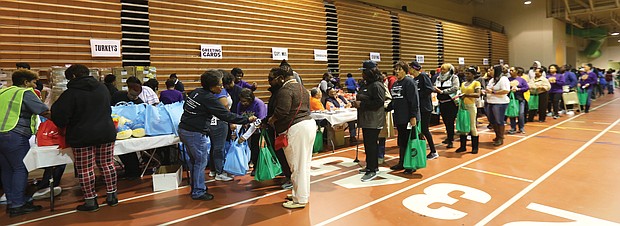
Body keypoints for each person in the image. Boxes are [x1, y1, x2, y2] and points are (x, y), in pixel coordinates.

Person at [178, 70, 255, 201]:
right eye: (219, 84)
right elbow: (225, 115)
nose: (222, 87)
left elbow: (186, 106)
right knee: (200, 162)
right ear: (211, 86)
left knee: (194, 161)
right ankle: (198, 191)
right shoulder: (209, 98)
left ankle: (196, 185)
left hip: (184, 129)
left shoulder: (196, 92)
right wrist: (247, 120)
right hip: (194, 133)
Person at [51, 64, 118, 212]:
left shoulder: (71, 93)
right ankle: (112, 196)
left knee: (86, 169)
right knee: (107, 164)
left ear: (73, 76)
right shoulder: (102, 88)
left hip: (82, 135)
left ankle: (90, 201)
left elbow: (60, 116)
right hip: (106, 131)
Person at [0, 69, 50, 217]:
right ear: (26, 82)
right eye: (34, 82)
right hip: (15, 135)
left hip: (2, 134)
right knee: (20, 169)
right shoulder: (25, 93)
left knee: (7, 169)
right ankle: (17, 205)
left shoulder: (3, 92)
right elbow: (43, 111)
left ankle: (12, 201)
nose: (35, 85)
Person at [267, 67, 316, 209]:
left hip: (296, 129)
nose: (270, 81)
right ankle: (301, 194)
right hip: (308, 125)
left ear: (281, 77)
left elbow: (282, 111)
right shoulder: (301, 87)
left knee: (296, 166)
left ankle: (299, 199)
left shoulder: (285, 90)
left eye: (272, 78)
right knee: (303, 164)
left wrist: (271, 119)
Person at [353, 60, 386, 182]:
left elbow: (379, 102)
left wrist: (362, 104)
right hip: (366, 119)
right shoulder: (366, 84)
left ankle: (372, 169)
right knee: (368, 144)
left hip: (374, 120)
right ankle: (370, 166)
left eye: (364, 72)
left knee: (371, 145)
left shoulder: (377, 85)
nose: (362, 74)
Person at [388, 61, 420, 174]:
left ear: (405, 71)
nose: (397, 72)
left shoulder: (409, 82)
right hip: (399, 118)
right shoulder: (396, 83)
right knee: (402, 142)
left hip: (408, 118)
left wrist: (413, 116)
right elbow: (395, 100)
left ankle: (411, 164)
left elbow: (414, 101)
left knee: (409, 142)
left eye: (400, 69)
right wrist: (386, 108)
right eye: (395, 69)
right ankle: (402, 162)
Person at [208, 70, 235, 181]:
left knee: (215, 147)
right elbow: (224, 105)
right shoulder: (221, 90)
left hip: (213, 121)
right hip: (219, 121)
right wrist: (231, 121)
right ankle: (219, 172)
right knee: (219, 147)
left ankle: (214, 170)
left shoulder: (214, 90)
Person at [410, 61, 438, 159]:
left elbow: (429, 89)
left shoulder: (423, 76)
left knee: (425, 129)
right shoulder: (414, 79)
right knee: (419, 130)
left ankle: (433, 151)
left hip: (425, 107)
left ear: (414, 68)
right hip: (418, 108)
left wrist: (418, 96)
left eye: (410, 68)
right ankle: (421, 148)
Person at [236, 88, 267, 176]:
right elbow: (239, 118)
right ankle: (251, 164)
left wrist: (245, 136)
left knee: (256, 147)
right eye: (241, 101)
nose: (243, 103)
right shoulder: (240, 104)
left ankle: (258, 167)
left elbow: (259, 121)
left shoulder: (259, 103)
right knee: (251, 148)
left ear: (250, 99)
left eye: (245, 101)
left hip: (259, 128)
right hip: (247, 127)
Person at [455, 67, 481, 154]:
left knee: (472, 126)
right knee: (463, 125)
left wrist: (466, 95)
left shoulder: (476, 83)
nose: (467, 75)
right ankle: (463, 147)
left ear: (473, 75)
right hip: (462, 106)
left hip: (470, 106)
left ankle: (475, 147)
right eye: (466, 73)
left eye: (468, 74)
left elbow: (478, 94)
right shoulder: (463, 83)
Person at [434, 63, 460, 148]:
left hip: (450, 103)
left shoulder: (454, 77)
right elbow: (435, 86)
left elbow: (455, 88)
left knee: (450, 121)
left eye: (444, 69)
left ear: (449, 70)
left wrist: (443, 92)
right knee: (445, 121)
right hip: (441, 103)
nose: (442, 71)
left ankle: (450, 140)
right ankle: (448, 137)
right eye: (441, 69)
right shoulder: (438, 78)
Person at [486, 65, 511, 146]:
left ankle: (500, 137)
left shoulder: (504, 79)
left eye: (491, 70)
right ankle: (497, 136)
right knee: (492, 120)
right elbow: (488, 88)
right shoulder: (492, 80)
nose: (489, 72)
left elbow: (506, 90)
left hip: (500, 103)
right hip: (490, 102)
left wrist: (493, 92)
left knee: (499, 120)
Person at [508, 67, 530, 134]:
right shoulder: (507, 79)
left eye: (512, 70)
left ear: (516, 71)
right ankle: (513, 128)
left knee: (521, 113)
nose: (510, 72)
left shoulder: (522, 80)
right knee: (512, 114)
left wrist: (518, 89)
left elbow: (526, 87)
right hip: (511, 99)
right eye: (510, 70)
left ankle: (521, 128)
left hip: (520, 99)